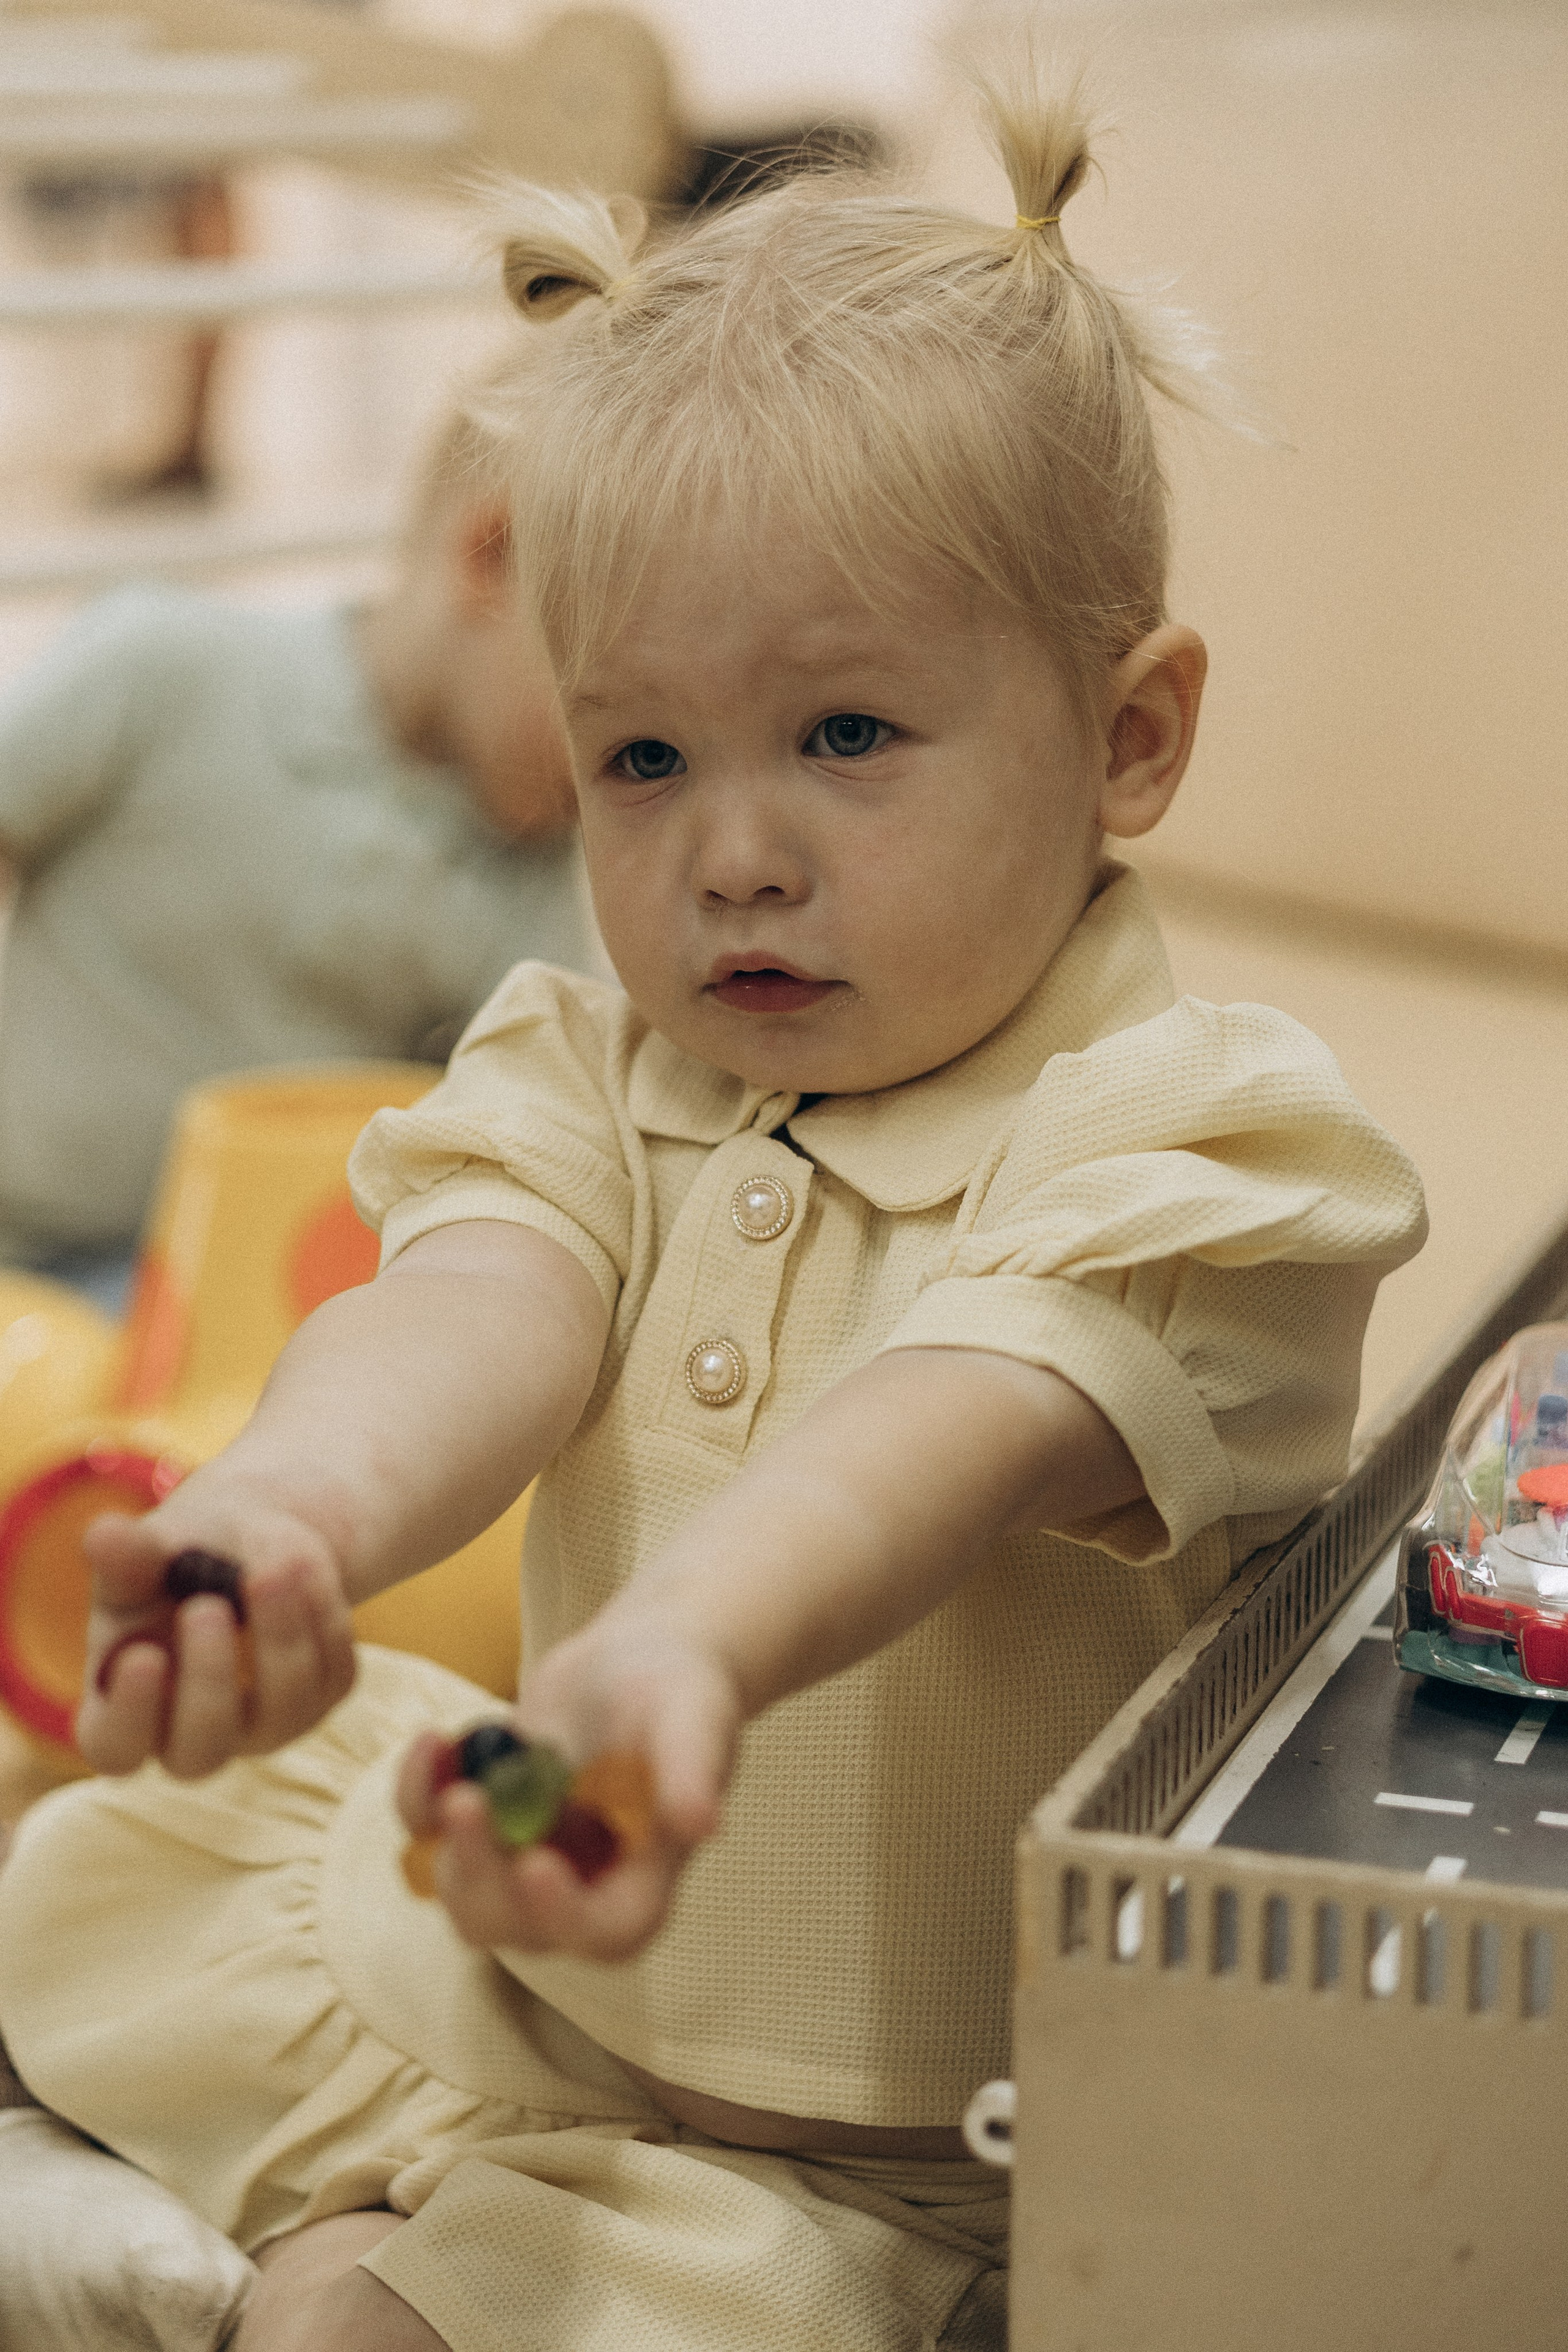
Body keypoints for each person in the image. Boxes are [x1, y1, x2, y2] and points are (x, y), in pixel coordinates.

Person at [0, 63, 1427, 2352]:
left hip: (873, 2140)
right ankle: (388, 2189)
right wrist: (284, 1514)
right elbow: (474, 1302)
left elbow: (953, 1423)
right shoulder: (597, 1058)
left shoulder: (1207, 1142)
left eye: (846, 735)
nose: (730, 847)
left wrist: (691, 1645)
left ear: (1129, 737)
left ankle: (352, 2266)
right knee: (91, 1859)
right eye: (641, 754)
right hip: (512, 1943)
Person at [0, 396, 592, 1306]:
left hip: (247, 1301)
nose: (626, 782)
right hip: (24, 1251)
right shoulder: (167, 666)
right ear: (491, 555)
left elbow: (539, 1119)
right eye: (610, 712)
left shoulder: (538, 857)